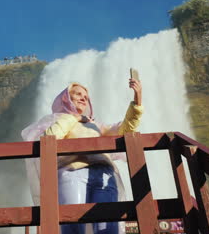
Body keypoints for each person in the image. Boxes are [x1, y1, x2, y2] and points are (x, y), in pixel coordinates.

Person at [22, 78, 143, 234]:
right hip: (71, 172)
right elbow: (49, 138)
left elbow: (124, 129)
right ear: (66, 98)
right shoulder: (57, 120)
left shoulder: (96, 125)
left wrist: (137, 100)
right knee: (72, 225)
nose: (83, 98)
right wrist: (73, 118)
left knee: (108, 226)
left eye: (86, 97)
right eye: (78, 94)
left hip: (104, 174)